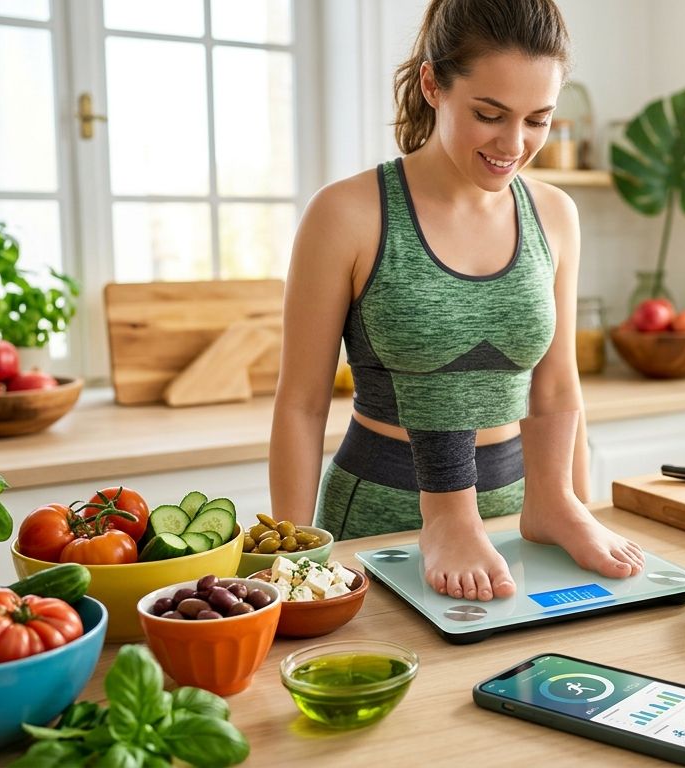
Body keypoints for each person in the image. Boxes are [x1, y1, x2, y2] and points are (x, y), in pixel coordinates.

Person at [269, 0, 644, 604]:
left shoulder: (554, 214)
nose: (514, 144)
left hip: (522, 506)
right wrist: (291, 561)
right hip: (380, 513)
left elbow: (556, 386)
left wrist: (573, 507)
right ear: (431, 84)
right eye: (490, 114)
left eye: (538, 119)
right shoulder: (346, 213)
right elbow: (302, 405)